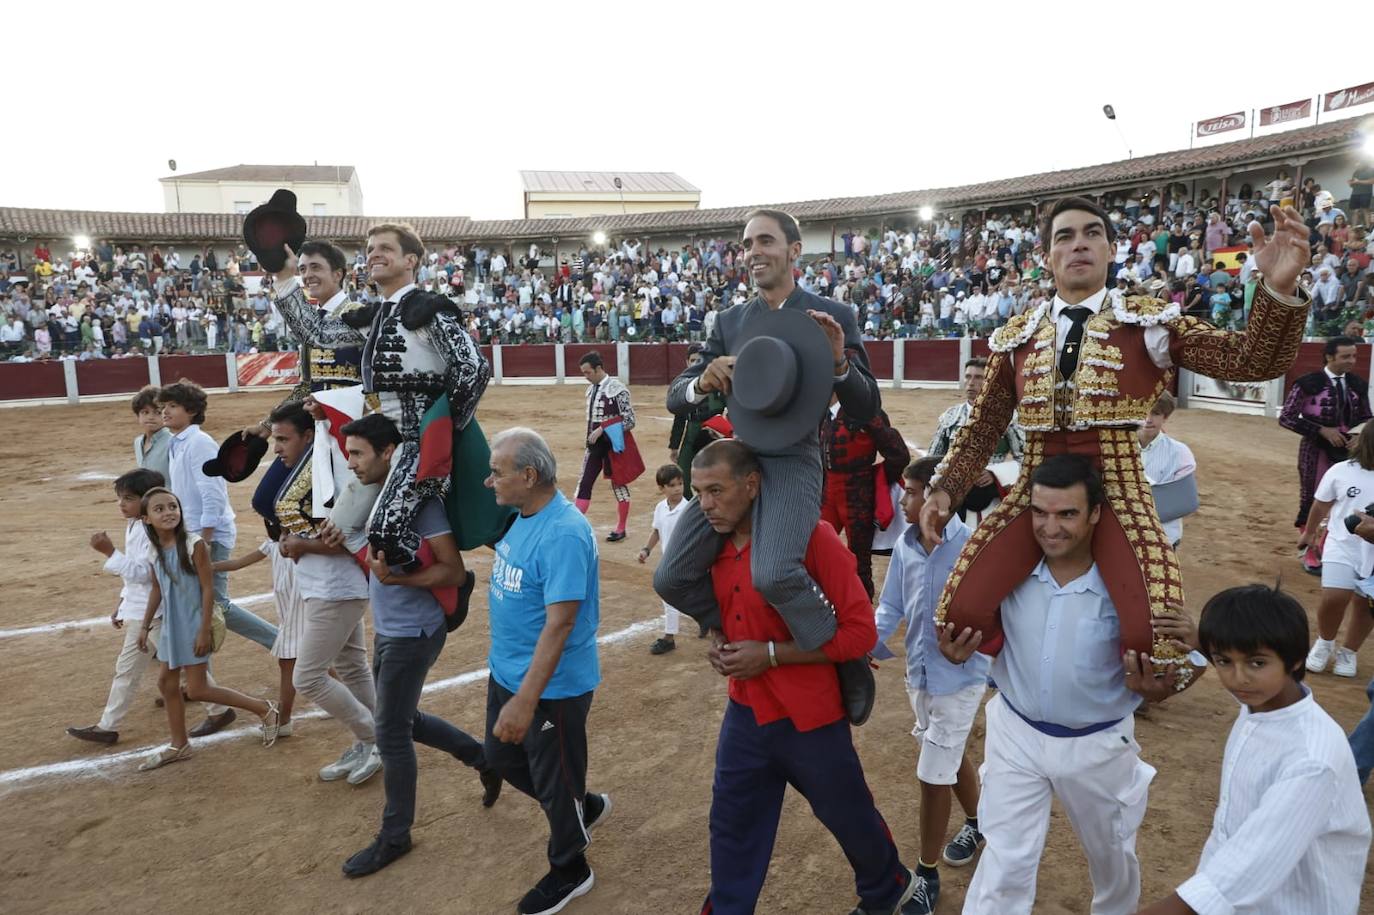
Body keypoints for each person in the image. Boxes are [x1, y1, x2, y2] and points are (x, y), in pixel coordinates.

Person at [922, 197, 1311, 670]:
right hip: (1036, 490)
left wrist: (1278, 287)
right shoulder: (1016, 336)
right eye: (1064, 236)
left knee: (1158, 642)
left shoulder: (1146, 322)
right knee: (957, 616)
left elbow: (1252, 361)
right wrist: (945, 488)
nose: (1079, 244)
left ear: (1110, 250)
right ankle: (1031, 668)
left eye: (1091, 234)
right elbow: (983, 425)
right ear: (1048, 257)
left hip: (1118, 487)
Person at [940, 455, 1201, 915]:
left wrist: (1178, 670)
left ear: (1096, 513)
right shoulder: (1009, 576)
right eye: (1039, 513)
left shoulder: (1127, 586)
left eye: (1067, 514)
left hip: (1097, 743)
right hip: (1015, 734)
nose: (1050, 528)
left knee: (1113, 860)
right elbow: (979, 631)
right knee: (1004, 860)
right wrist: (960, 651)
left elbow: (1185, 658)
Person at [687, 439, 915, 915]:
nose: (705, 505)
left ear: (752, 486)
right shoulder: (712, 546)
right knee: (730, 823)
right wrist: (719, 638)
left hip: (811, 717)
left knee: (848, 817)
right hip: (746, 711)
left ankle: (891, 890)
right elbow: (728, 614)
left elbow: (859, 634)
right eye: (698, 493)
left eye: (716, 491)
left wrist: (769, 654)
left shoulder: (812, 538)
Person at [656, 209, 881, 655]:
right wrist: (703, 382)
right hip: (739, 457)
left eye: (765, 241)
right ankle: (733, 627)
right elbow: (676, 396)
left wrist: (839, 364)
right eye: (746, 244)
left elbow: (867, 404)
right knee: (670, 576)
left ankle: (838, 658)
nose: (753, 253)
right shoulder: (731, 321)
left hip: (797, 457)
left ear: (794, 251)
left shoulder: (833, 315)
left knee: (775, 572)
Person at [1134, 585, 1371, 915]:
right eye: (1224, 662)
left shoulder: (1311, 761)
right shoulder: (1268, 702)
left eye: (1256, 663)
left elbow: (1249, 865)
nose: (1238, 678)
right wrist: (1207, 642)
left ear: (1296, 659)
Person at [269, 224, 491, 575]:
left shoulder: (429, 309)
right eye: (370, 248)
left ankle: (447, 584)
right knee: (339, 527)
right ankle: (409, 591)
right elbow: (316, 333)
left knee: (384, 531)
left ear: (410, 260)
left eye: (385, 248)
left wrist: (447, 427)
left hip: (419, 443)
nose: (373, 254)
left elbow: (473, 367)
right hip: (385, 444)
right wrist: (283, 276)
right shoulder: (374, 316)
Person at [334, 413, 500, 878]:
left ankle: (395, 835)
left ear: (389, 453)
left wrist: (399, 576)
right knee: (402, 721)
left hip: (414, 631)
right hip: (390, 627)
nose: (351, 463)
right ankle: (482, 758)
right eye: (349, 454)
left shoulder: (419, 505)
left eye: (358, 453)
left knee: (390, 732)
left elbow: (454, 571)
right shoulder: (375, 499)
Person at [484, 428, 610, 915]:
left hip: (550, 687)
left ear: (529, 475)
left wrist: (526, 699)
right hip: (509, 672)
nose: (489, 481)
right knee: (502, 756)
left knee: (554, 777)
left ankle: (570, 866)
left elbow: (560, 624)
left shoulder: (563, 533)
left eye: (497, 472)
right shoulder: (522, 516)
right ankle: (584, 807)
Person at [873, 456, 991, 915]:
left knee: (931, 773)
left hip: (961, 678)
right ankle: (980, 822)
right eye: (904, 490)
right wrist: (869, 644)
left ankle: (925, 874)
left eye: (913, 491)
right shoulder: (905, 545)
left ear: (942, 500)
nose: (904, 500)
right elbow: (891, 605)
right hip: (920, 673)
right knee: (950, 752)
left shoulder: (974, 548)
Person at [158, 379, 280, 737]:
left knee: (218, 604)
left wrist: (205, 541)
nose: (165, 411)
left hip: (206, 536)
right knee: (201, 606)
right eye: (164, 406)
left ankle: (283, 643)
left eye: (172, 406)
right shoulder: (177, 443)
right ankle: (202, 686)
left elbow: (212, 493)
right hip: (192, 535)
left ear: (192, 412)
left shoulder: (197, 443)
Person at [133, 488, 281, 771]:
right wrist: (145, 625)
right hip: (171, 626)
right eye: (159, 509)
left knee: (198, 689)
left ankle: (263, 708)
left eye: (172, 506)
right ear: (147, 519)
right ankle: (180, 744)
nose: (168, 512)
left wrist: (203, 631)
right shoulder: (153, 549)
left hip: (192, 624)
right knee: (166, 683)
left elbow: (207, 587)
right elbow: (157, 588)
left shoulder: (193, 543)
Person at [66, 468, 165, 745]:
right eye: (120, 498)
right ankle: (107, 725)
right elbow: (135, 577)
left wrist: (110, 552)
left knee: (183, 665)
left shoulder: (150, 529)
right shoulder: (136, 524)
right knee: (129, 669)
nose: (121, 504)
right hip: (140, 609)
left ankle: (218, 708)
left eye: (128, 498)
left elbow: (146, 575)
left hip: (155, 614)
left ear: (147, 500)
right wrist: (122, 603)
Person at [1279, 335, 1372, 572]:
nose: (1352, 361)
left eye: (1354, 356)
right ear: (1329, 357)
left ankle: (1327, 546)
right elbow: (1287, 417)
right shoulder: (1307, 383)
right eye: (1346, 356)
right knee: (1312, 499)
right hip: (1315, 449)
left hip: (1352, 451)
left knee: (1346, 499)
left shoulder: (1357, 384)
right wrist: (1321, 430)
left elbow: (1366, 418)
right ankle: (1310, 550)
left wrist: (1359, 436)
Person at [1298, 427, 1374, 679]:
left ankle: (1349, 652)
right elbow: (1321, 504)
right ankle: (1325, 641)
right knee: (1334, 597)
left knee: (1365, 604)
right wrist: (1309, 533)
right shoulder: (1341, 471)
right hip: (1341, 545)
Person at [820, 398, 910, 597]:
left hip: (857, 495)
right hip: (828, 492)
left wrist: (874, 479)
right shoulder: (821, 411)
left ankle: (861, 616)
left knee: (859, 560)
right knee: (815, 548)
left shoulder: (866, 413)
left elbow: (899, 455)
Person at [928, 358, 1025, 526]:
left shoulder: (1009, 418)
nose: (971, 383)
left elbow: (1026, 459)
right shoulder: (951, 416)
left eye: (978, 377)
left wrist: (995, 473)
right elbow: (933, 458)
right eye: (968, 377)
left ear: (990, 380)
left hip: (990, 498)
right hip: (954, 498)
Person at [575, 351, 643, 542]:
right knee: (585, 483)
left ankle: (621, 528)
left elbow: (630, 420)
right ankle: (573, 528)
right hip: (595, 447)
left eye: (588, 372)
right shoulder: (590, 390)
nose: (586, 376)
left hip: (613, 446)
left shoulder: (617, 389)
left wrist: (603, 429)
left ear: (598, 369)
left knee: (619, 485)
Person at [639, 463, 692, 654]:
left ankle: (669, 638)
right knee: (671, 597)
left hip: (686, 562)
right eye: (672, 485)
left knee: (674, 596)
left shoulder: (689, 509)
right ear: (662, 488)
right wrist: (646, 549)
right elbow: (657, 531)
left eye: (680, 483)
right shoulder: (660, 507)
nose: (678, 488)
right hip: (669, 562)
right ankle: (671, 635)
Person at [1137, 392, 1197, 549]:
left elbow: (1185, 502)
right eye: (1144, 412)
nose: (1148, 419)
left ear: (1165, 417)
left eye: (1155, 413)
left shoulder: (1179, 452)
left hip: (1164, 537)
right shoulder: (1115, 448)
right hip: (1126, 537)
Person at [667, 344, 726, 497]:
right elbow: (679, 418)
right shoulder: (683, 385)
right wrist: (674, 445)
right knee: (683, 476)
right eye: (692, 360)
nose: (695, 363)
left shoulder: (715, 380)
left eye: (698, 360)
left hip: (714, 433)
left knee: (718, 475)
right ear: (687, 362)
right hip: (692, 431)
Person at [131, 385, 171, 482]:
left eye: (157, 412)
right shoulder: (138, 442)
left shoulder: (173, 441)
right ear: (138, 415)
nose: (150, 417)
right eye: (145, 412)